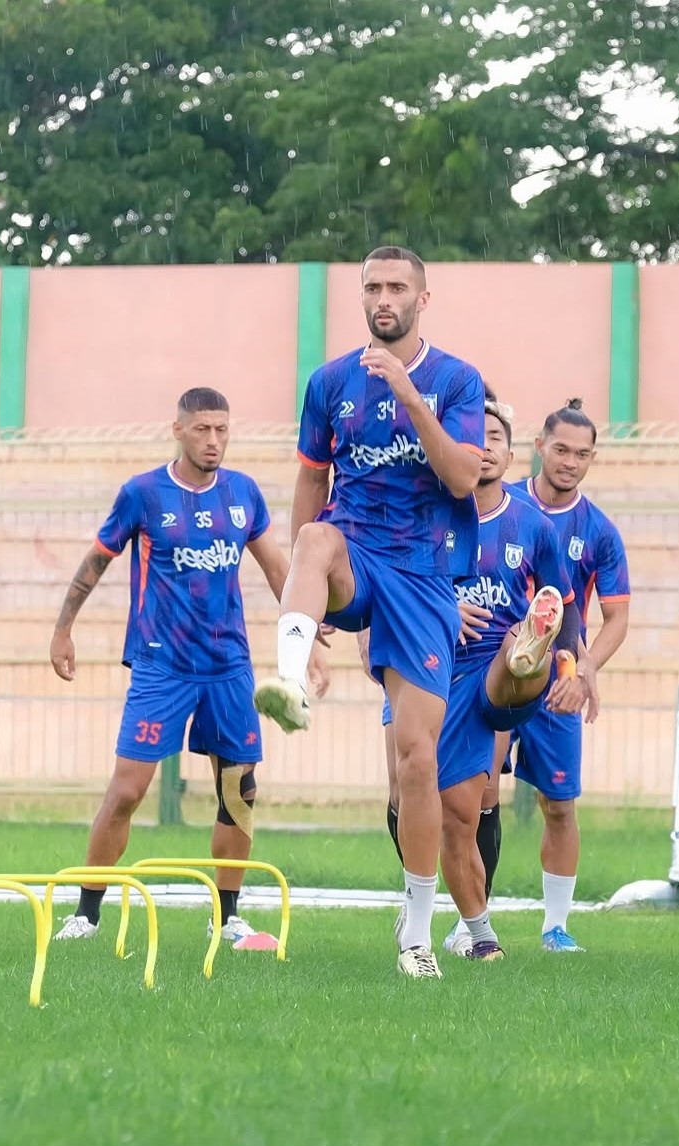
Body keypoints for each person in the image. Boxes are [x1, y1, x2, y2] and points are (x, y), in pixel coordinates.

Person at [253, 246, 485, 979]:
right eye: (372, 287)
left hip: (421, 575)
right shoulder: (329, 383)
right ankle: (289, 680)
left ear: (424, 297)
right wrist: (306, 585)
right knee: (316, 534)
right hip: (353, 554)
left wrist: (410, 397)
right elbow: (310, 478)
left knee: (418, 762)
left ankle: (417, 930)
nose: (383, 298)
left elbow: (461, 477)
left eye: (397, 287)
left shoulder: (455, 380)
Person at [49, 387, 327, 942]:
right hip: (161, 666)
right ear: (178, 429)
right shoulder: (144, 494)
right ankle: (85, 913)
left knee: (239, 791)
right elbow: (96, 562)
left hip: (229, 669)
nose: (214, 440)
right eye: (203, 429)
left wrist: (311, 641)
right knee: (127, 790)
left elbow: (279, 570)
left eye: (222, 429)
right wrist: (63, 629)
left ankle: (227, 917)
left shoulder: (243, 493)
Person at [381, 395, 594, 960]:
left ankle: (529, 656)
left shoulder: (533, 528)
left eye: (495, 437)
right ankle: (447, 915)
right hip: (423, 664)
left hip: (483, 674)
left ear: (508, 450)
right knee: (420, 802)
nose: (485, 446)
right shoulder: (421, 517)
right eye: (476, 437)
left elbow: (568, 604)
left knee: (466, 805)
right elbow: (386, 588)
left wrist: (568, 661)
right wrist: (444, 610)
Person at [476, 398, 629, 955]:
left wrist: (585, 669)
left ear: (592, 459)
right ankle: (475, 920)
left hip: (558, 679)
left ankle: (555, 927)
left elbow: (616, 618)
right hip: (491, 672)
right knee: (480, 792)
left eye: (582, 454)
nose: (569, 461)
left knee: (559, 805)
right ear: (538, 447)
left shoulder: (600, 532)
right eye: (561, 449)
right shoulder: (498, 502)